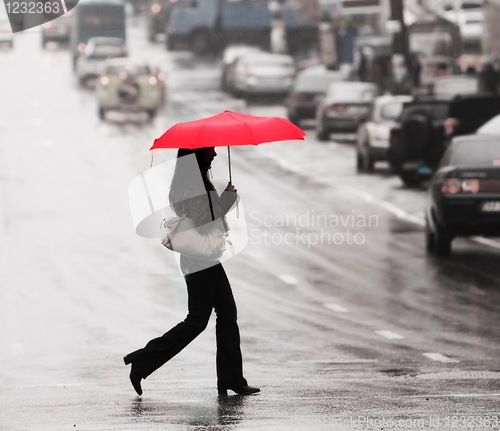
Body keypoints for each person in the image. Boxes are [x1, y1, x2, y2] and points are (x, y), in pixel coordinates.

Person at [123, 147, 260, 397]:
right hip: (198, 260)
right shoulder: (192, 184)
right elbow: (203, 219)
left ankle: (231, 378)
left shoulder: (193, 179)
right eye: (211, 150)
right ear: (198, 153)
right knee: (197, 321)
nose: (216, 154)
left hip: (201, 258)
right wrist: (227, 199)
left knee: (227, 313)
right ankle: (142, 361)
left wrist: (221, 199)